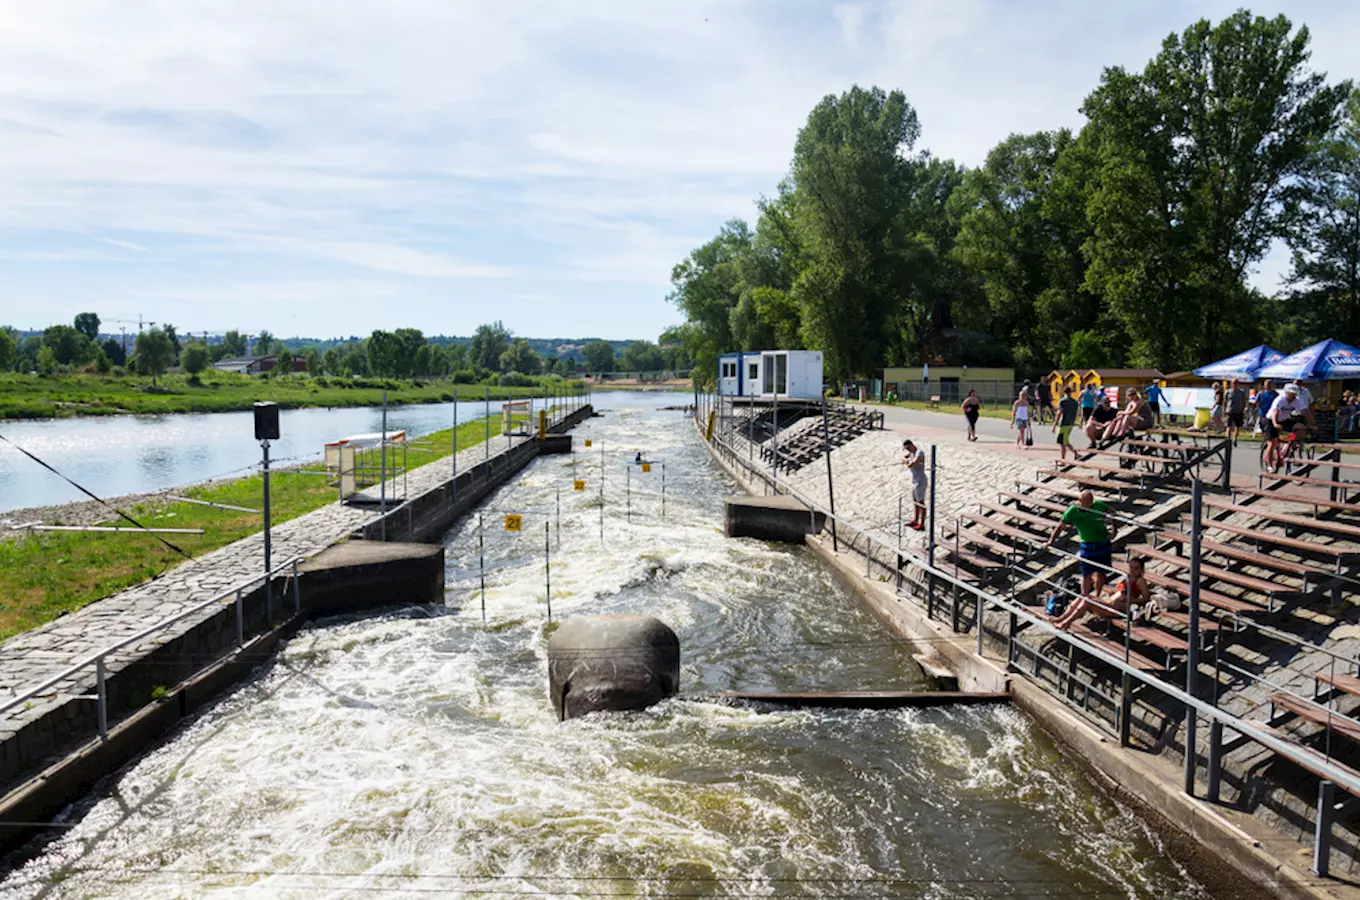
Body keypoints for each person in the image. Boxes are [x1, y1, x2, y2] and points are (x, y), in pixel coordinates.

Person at [1044, 489, 1119, 598]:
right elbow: (1060, 525)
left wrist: (1114, 530)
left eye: (1091, 503)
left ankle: (1097, 596)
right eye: (1087, 503)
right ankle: (1085, 597)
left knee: (1101, 572)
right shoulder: (1073, 510)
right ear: (1080, 501)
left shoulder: (1097, 505)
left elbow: (1113, 513)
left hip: (1102, 542)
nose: (1089, 506)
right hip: (1087, 544)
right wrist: (1050, 541)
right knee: (1086, 573)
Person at [1053, 556, 1149, 631]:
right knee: (1084, 596)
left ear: (1141, 570)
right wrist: (1114, 591)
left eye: (1136, 568)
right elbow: (1120, 588)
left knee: (1087, 601)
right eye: (1131, 567)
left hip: (1118, 609)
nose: (1133, 570)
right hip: (1110, 602)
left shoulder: (1140, 581)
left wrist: (1130, 599)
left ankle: (1067, 622)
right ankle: (1063, 617)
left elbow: (1145, 599)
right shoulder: (1128, 577)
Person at [1262, 382, 1317, 472]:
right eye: (1291, 395)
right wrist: (1275, 423)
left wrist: (1312, 423)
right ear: (1287, 393)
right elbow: (1275, 412)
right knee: (1272, 443)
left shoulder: (1297, 400)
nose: (1293, 397)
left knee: (1300, 428)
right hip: (1271, 420)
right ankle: (1270, 465)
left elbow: (1305, 411)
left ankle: (1291, 447)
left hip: (1284, 419)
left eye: (1295, 394)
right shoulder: (1280, 399)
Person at [903, 439, 927, 531]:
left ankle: (922, 523)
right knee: (915, 501)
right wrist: (906, 459)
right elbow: (904, 457)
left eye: (909, 448)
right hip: (914, 479)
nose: (908, 450)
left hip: (920, 479)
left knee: (921, 502)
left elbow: (913, 463)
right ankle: (915, 520)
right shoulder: (911, 453)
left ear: (912, 445)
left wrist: (907, 462)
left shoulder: (919, 452)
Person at [1052, 386, 1079, 460]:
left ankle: (1062, 459)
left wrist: (1054, 424)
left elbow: (1059, 413)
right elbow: (1076, 413)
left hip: (1063, 424)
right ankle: (1075, 453)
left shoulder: (1063, 401)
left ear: (1064, 392)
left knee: (1062, 442)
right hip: (1071, 423)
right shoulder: (1075, 402)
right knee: (1065, 441)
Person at [1225, 379, 1247, 446]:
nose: (1235, 384)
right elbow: (1224, 401)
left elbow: (1244, 401)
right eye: (1233, 383)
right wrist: (1224, 410)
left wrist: (1243, 409)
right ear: (1231, 384)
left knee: (1237, 426)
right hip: (1230, 411)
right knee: (1229, 426)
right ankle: (1228, 440)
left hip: (1238, 411)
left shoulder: (1241, 392)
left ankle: (1235, 439)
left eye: (1236, 383)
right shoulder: (1228, 392)